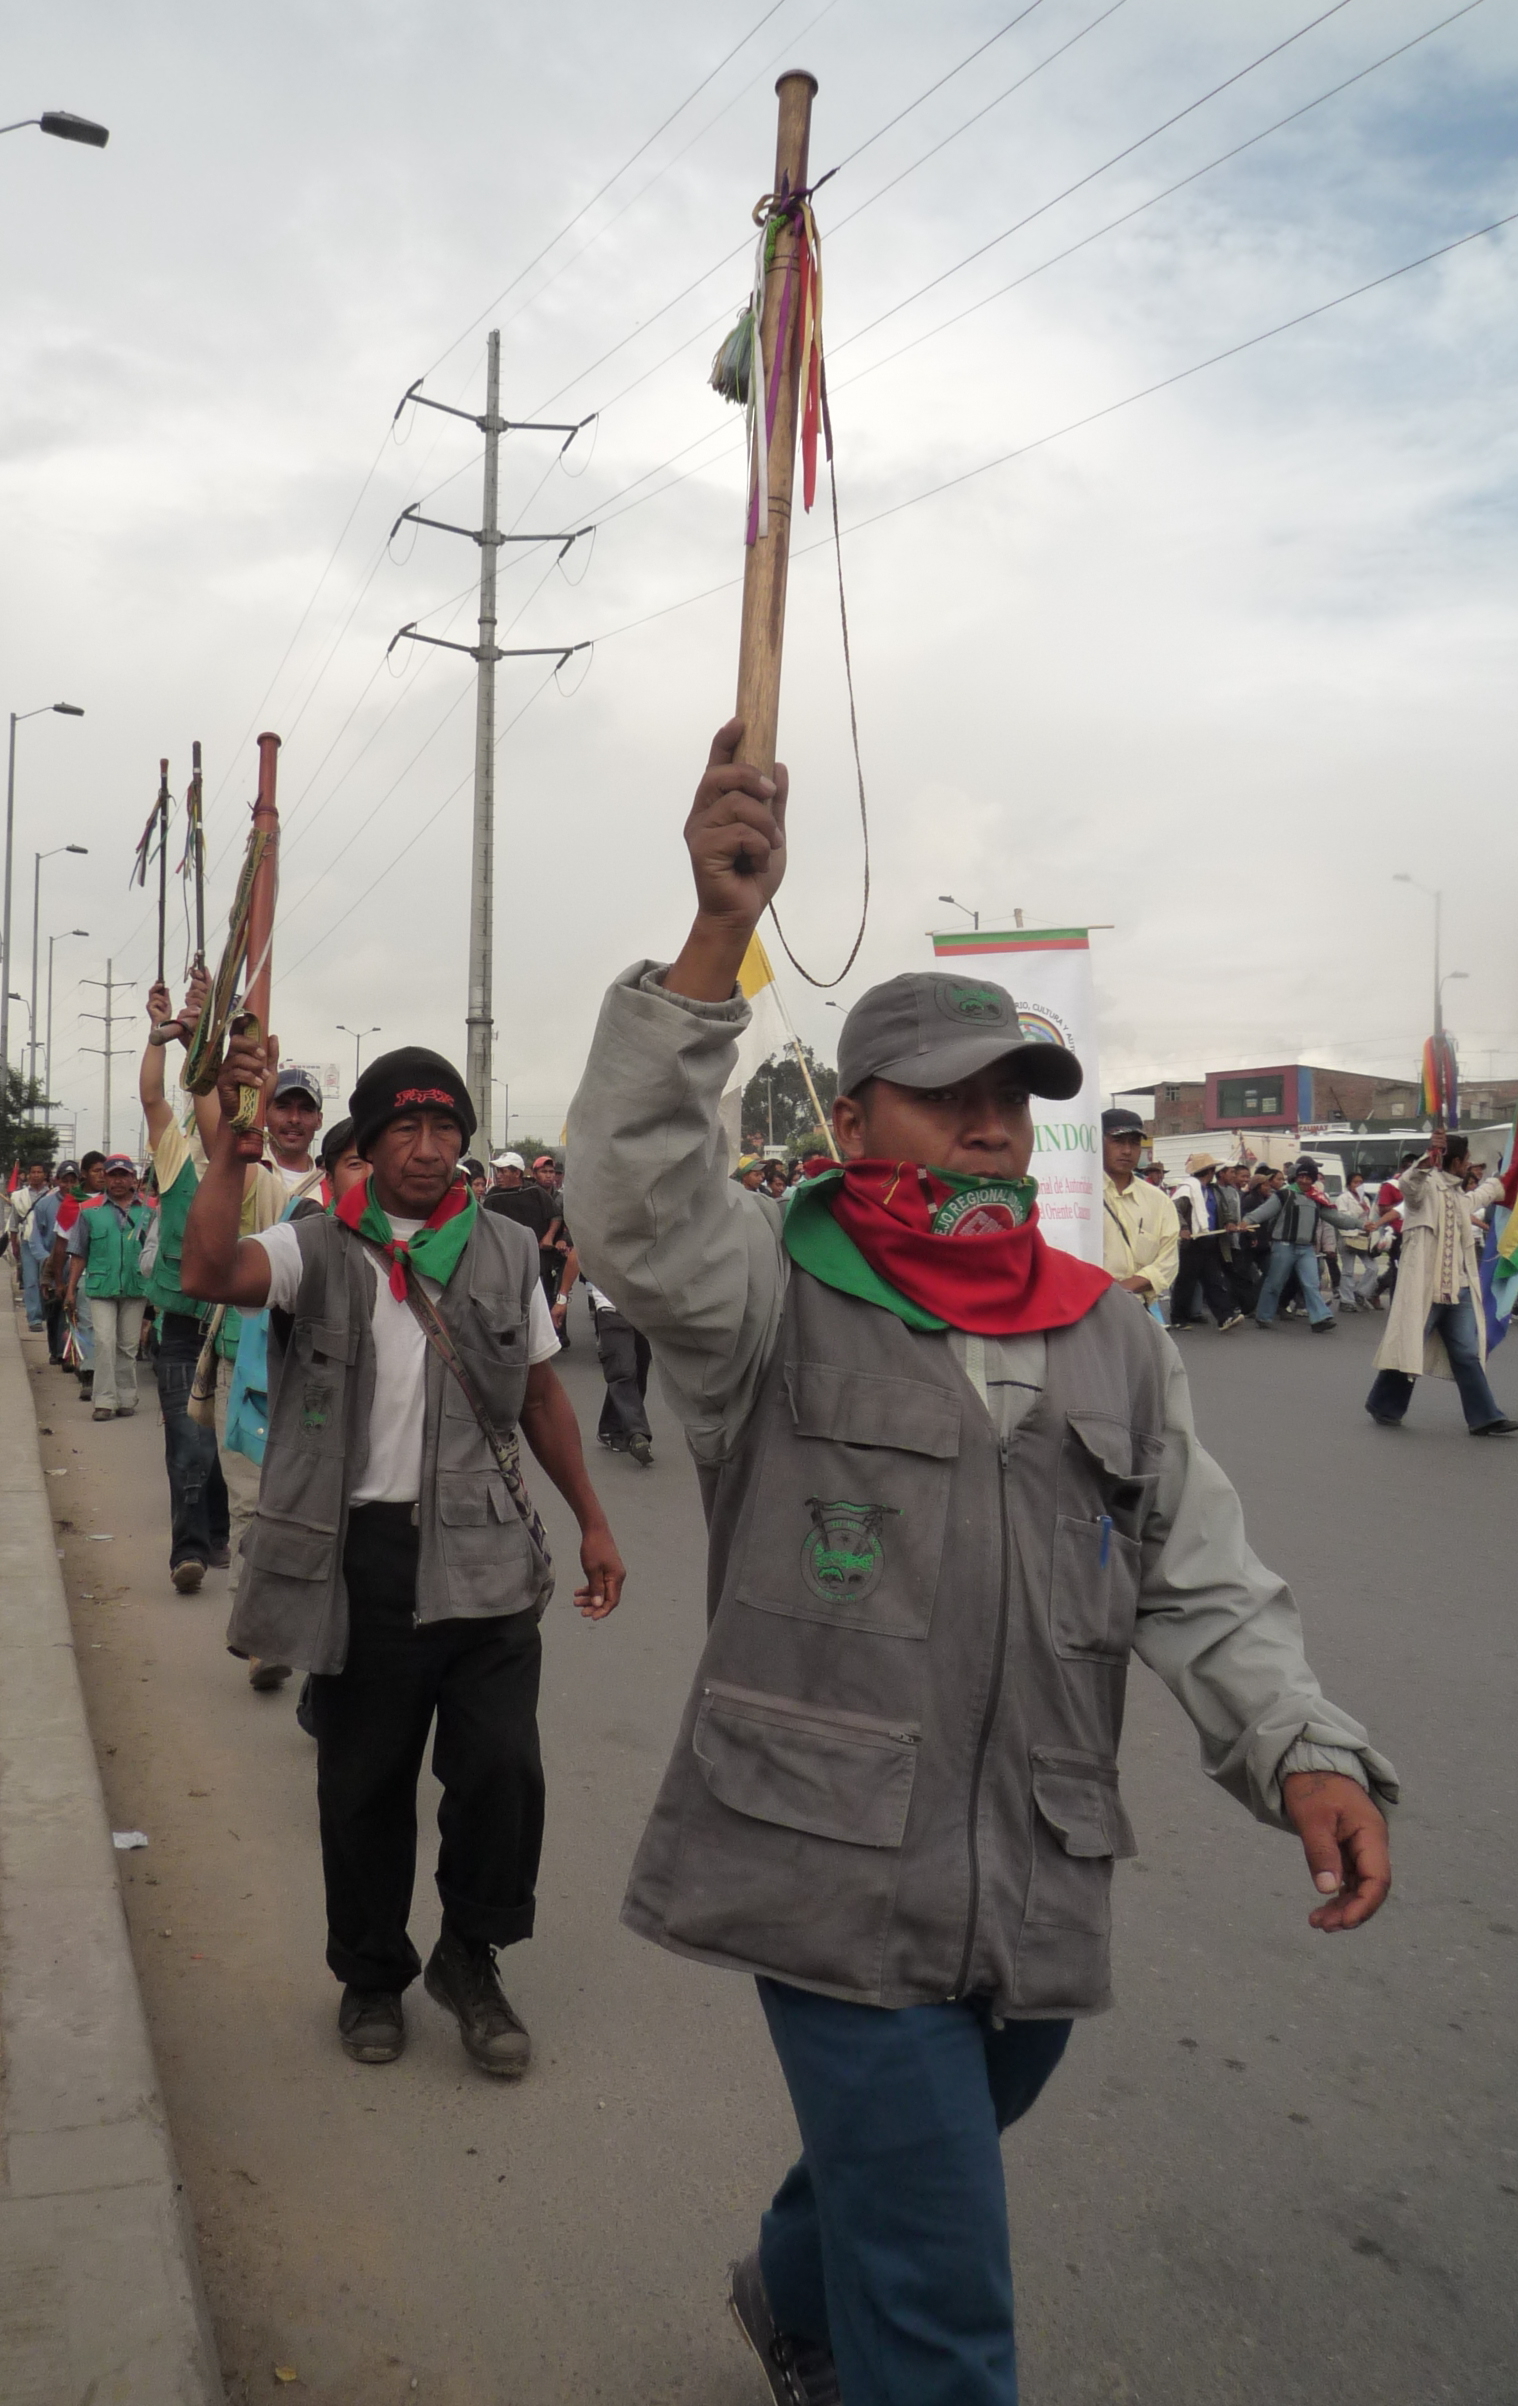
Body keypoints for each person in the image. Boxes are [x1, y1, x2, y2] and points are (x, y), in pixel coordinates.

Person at [565, 719, 1394, 2406]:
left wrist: (1298, 1746)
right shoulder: (766, 1295)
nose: (992, 1124)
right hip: (825, 1857)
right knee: (944, 2294)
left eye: (1012, 1097)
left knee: (931, 2146)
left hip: (1034, 1859)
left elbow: (1195, 1571)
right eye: (948, 1094)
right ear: (851, 1114)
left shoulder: (1109, 1334)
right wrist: (716, 934)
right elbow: (635, 1196)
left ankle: (791, 2286)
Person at [182, 1038, 627, 2075]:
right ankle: (372, 1974)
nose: (429, 1149)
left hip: (485, 1555)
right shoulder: (316, 1247)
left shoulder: (505, 1250)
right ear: (372, 1143)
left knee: (503, 1770)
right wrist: (229, 1162)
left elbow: (542, 1395)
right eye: (407, 1129)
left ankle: (470, 1958)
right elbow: (209, 1270)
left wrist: (594, 1521)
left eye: (446, 1129)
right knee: (364, 1785)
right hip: (363, 1561)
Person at [139, 973, 233, 1594]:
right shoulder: (175, 1159)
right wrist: (160, 1033)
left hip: (236, 1326)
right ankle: (188, 1551)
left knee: (225, 1444)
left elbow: (216, 1102)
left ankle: (217, 1528)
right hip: (180, 1327)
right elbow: (153, 1097)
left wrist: (203, 1036)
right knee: (187, 1442)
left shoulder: (247, 1165)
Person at [1365, 1130, 1518, 1435]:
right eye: (1467, 1160)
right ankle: (1383, 1404)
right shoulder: (1424, 1190)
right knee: (1410, 1346)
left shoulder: (1458, 1194)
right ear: (1456, 1161)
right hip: (1426, 1290)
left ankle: (1485, 1417)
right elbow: (1409, 1184)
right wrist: (1427, 1158)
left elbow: (1483, 1195)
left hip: (1460, 1290)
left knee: (1467, 1353)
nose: (1470, 1165)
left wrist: (1508, 1175)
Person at [65, 1154, 150, 1420]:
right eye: (113, 1175)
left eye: (124, 1175)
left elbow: (155, 1252)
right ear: (105, 1178)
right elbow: (78, 1253)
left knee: (128, 1345)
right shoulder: (89, 1210)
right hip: (100, 1286)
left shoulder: (149, 1210)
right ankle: (103, 1400)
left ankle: (126, 1397)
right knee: (104, 1340)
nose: (118, 1181)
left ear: (133, 1178)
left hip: (136, 1287)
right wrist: (70, 1289)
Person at [1245, 1159, 1361, 1334]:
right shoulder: (1284, 1195)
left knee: (1311, 1284)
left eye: (1309, 1178)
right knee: (1275, 1283)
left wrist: (1360, 1224)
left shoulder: (1316, 1198)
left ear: (1313, 1180)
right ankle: (1263, 1316)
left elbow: (1337, 1218)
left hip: (1306, 1248)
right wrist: (1246, 1221)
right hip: (1283, 1245)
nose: (1304, 1181)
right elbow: (1262, 1212)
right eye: (1302, 1177)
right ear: (1296, 1177)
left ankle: (1320, 1318)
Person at [1100, 1107, 1178, 1316]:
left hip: (1136, 1310)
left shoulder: (1159, 1202)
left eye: (1134, 1143)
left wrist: (1121, 1290)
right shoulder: (1081, 1195)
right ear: (1098, 1142)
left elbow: (1168, 1262)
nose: (1127, 1150)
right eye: (1118, 1141)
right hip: (1086, 1311)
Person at [1168, 1153, 1245, 1330]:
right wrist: (1183, 1227)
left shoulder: (1213, 1190)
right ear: (1209, 1171)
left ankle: (1225, 1317)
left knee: (1214, 1280)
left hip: (1209, 1240)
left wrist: (1228, 1222)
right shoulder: (1187, 1189)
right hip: (1192, 1242)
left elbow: (1223, 1210)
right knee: (1186, 1282)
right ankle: (1178, 1318)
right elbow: (1173, 1210)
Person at [587, 1277, 654, 1465]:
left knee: (639, 1369)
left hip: (641, 1311)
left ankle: (610, 1428)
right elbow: (575, 1262)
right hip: (610, 1308)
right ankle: (637, 1432)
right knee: (623, 1370)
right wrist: (562, 1297)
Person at [9, 1162, 49, 1329]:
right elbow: (14, 1222)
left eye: (39, 1172)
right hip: (27, 1242)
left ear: (45, 1175)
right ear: (28, 1175)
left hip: (48, 1243)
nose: (36, 1175)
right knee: (31, 1280)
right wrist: (14, 1244)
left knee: (46, 1280)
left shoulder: (53, 1195)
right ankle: (34, 1318)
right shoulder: (20, 1196)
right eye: (33, 1172)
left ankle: (47, 1313)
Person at [1336, 1171, 1379, 1313]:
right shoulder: (1343, 1198)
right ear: (1349, 1184)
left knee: (1373, 1268)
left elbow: (1369, 1217)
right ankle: (1346, 1301)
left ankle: (1360, 1293)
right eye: (1355, 1182)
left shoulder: (1365, 1199)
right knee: (1348, 1271)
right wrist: (1360, 1213)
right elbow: (1342, 1217)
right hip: (1348, 1236)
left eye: (1361, 1182)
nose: (1358, 1185)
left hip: (1362, 1237)